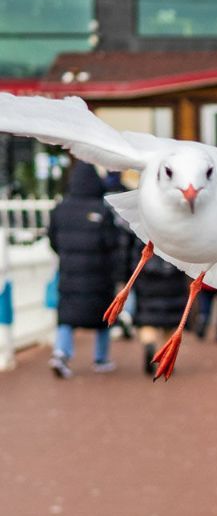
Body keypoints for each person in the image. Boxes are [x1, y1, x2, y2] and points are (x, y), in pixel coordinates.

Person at [46, 161, 125, 377]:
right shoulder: (102, 210)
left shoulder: (60, 209)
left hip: (69, 272)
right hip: (100, 275)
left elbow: (52, 240)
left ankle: (61, 352)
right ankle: (101, 358)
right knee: (103, 316)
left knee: (66, 315)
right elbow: (113, 243)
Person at [132, 250, 193, 377]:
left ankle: (149, 344)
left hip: (148, 283)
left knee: (147, 321)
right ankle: (166, 358)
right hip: (173, 282)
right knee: (170, 324)